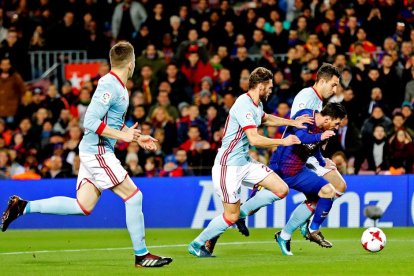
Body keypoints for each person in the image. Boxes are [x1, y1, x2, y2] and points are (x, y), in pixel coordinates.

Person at [0, 41, 172, 268]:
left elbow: (108, 123)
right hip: (97, 150)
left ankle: (23, 206)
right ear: (131, 64)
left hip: (95, 149)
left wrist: (137, 137)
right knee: (134, 196)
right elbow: (89, 121)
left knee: (84, 206)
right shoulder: (110, 85)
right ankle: (142, 255)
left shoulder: (118, 86)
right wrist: (123, 137)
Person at [187, 67, 312, 257]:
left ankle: (241, 214)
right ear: (260, 86)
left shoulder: (256, 104)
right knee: (230, 215)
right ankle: (197, 244)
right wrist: (282, 141)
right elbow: (254, 139)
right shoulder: (243, 104)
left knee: (281, 189)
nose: (271, 90)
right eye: (269, 87)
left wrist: (292, 123)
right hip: (228, 167)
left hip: (244, 162)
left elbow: (266, 118)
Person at [235, 63, 346, 247]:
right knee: (255, 202)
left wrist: (321, 156)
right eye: (333, 85)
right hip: (292, 158)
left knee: (336, 188)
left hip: (306, 156)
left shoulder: (318, 102)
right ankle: (216, 232)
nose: (335, 90)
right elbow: (298, 131)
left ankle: (298, 228)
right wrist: (318, 140)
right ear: (323, 81)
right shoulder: (306, 97)